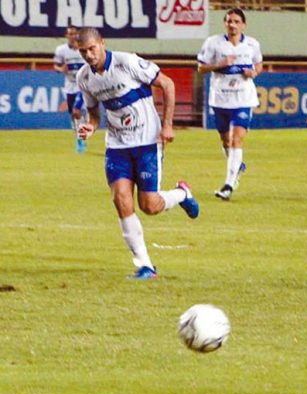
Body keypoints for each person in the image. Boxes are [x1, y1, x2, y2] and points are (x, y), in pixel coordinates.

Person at [75, 28, 200, 280]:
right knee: (121, 199)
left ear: (102, 43)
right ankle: (145, 266)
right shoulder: (84, 78)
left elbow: (167, 83)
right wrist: (91, 126)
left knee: (149, 206)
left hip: (147, 141)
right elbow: (95, 115)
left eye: (92, 49)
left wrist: (167, 125)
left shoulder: (127, 62)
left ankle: (181, 194)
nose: (88, 55)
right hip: (117, 145)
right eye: (83, 51)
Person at [197, 8, 263, 201]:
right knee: (226, 141)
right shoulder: (213, 43)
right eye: (229, 21)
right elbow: (201, 67)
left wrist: (254, 73)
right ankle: (237, 166)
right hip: (220, 99)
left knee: (236, 140)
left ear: (243, 24)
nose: (232, 25)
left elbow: (259, 64)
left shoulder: (252, 44)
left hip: (243, 99)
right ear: (225, 24)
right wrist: (220, 64)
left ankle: (229, 185)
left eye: (236, 21)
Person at [53, 25, 88, 154]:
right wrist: (61, 69)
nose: (73, 36)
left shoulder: (84, 49)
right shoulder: (61, 50)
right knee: (74, 115)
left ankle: (80, 140)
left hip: (83, 85)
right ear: (66, 36)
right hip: (69, 86)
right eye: (70, 34)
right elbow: (56, 66)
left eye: (75, 34)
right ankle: (80, 132)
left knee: (76, 110)